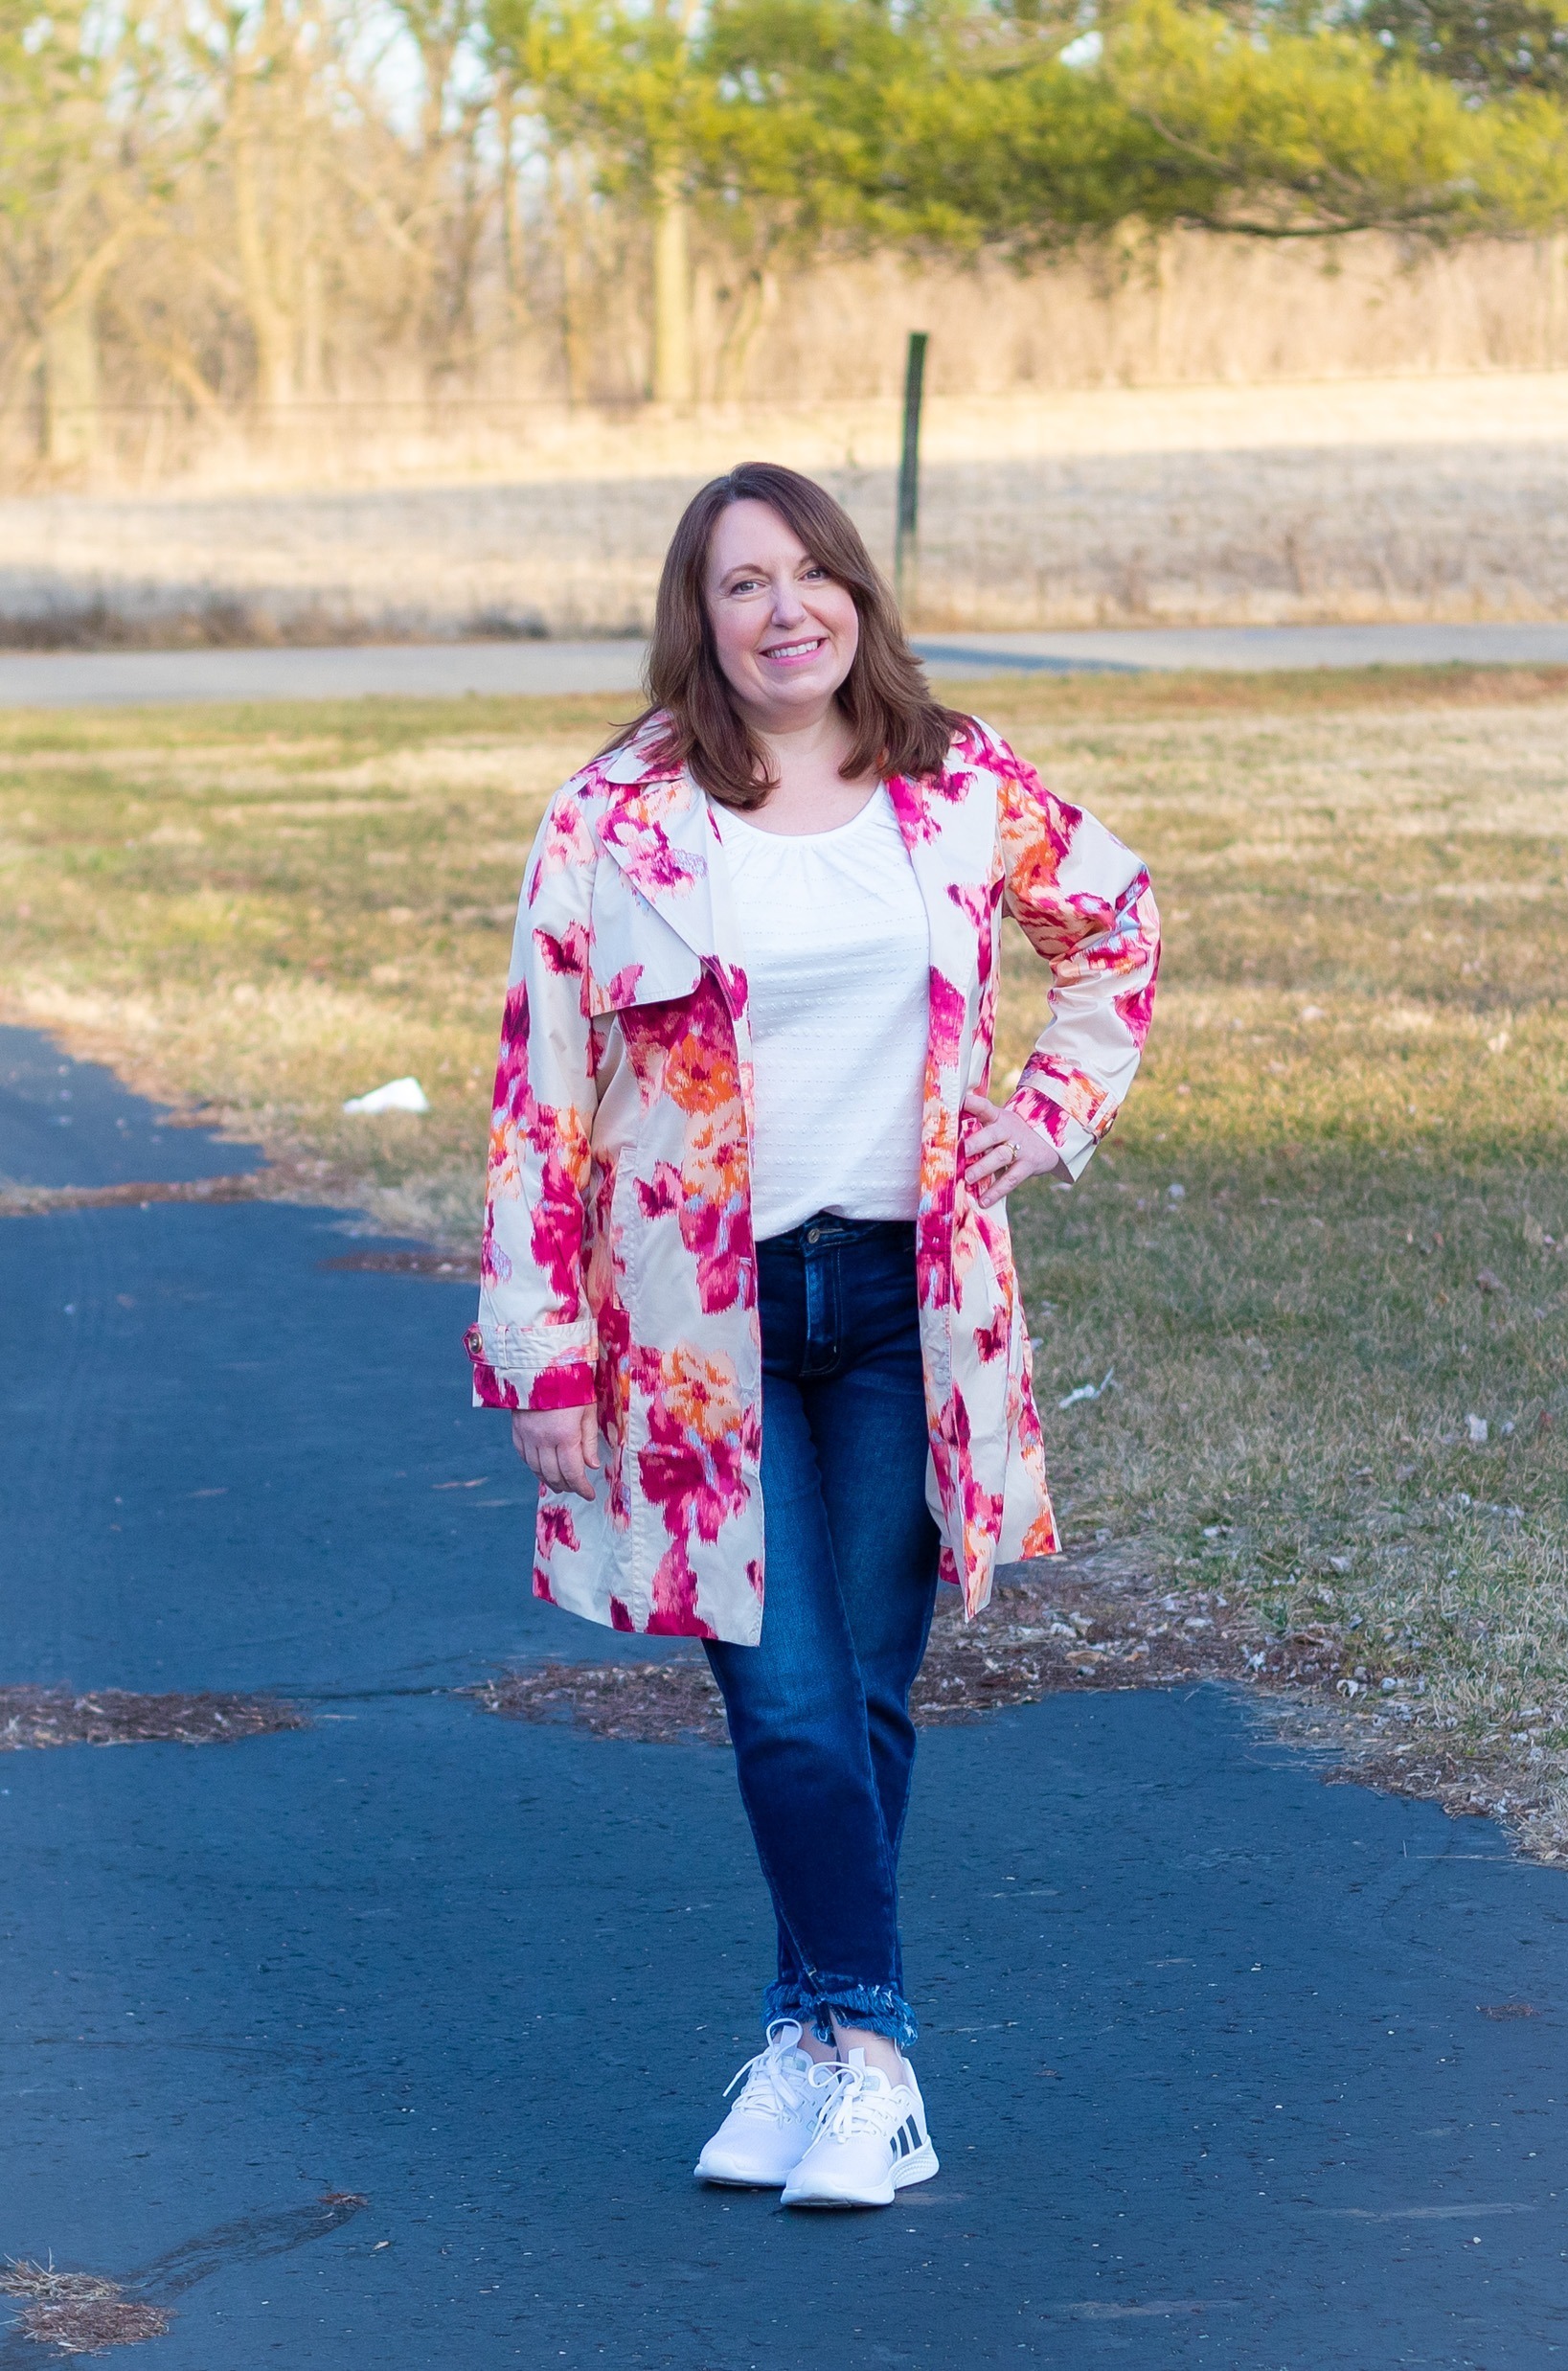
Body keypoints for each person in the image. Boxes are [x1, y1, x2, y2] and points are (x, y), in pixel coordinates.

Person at [465, 461, 1159, 2210]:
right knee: (783, 1700)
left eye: (810, 576)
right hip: (705, 1333)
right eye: (741, 586)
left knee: (859, 1688)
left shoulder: (953, 779)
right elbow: (538, 1102)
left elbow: (1116, 925)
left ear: (855, 591)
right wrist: (543, 1355)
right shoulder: (616, 820)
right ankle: (873, 2056)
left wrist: (1053, 1107)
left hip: (911, 1306)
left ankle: (810, 2043)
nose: (786, 612)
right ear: (696, 622)